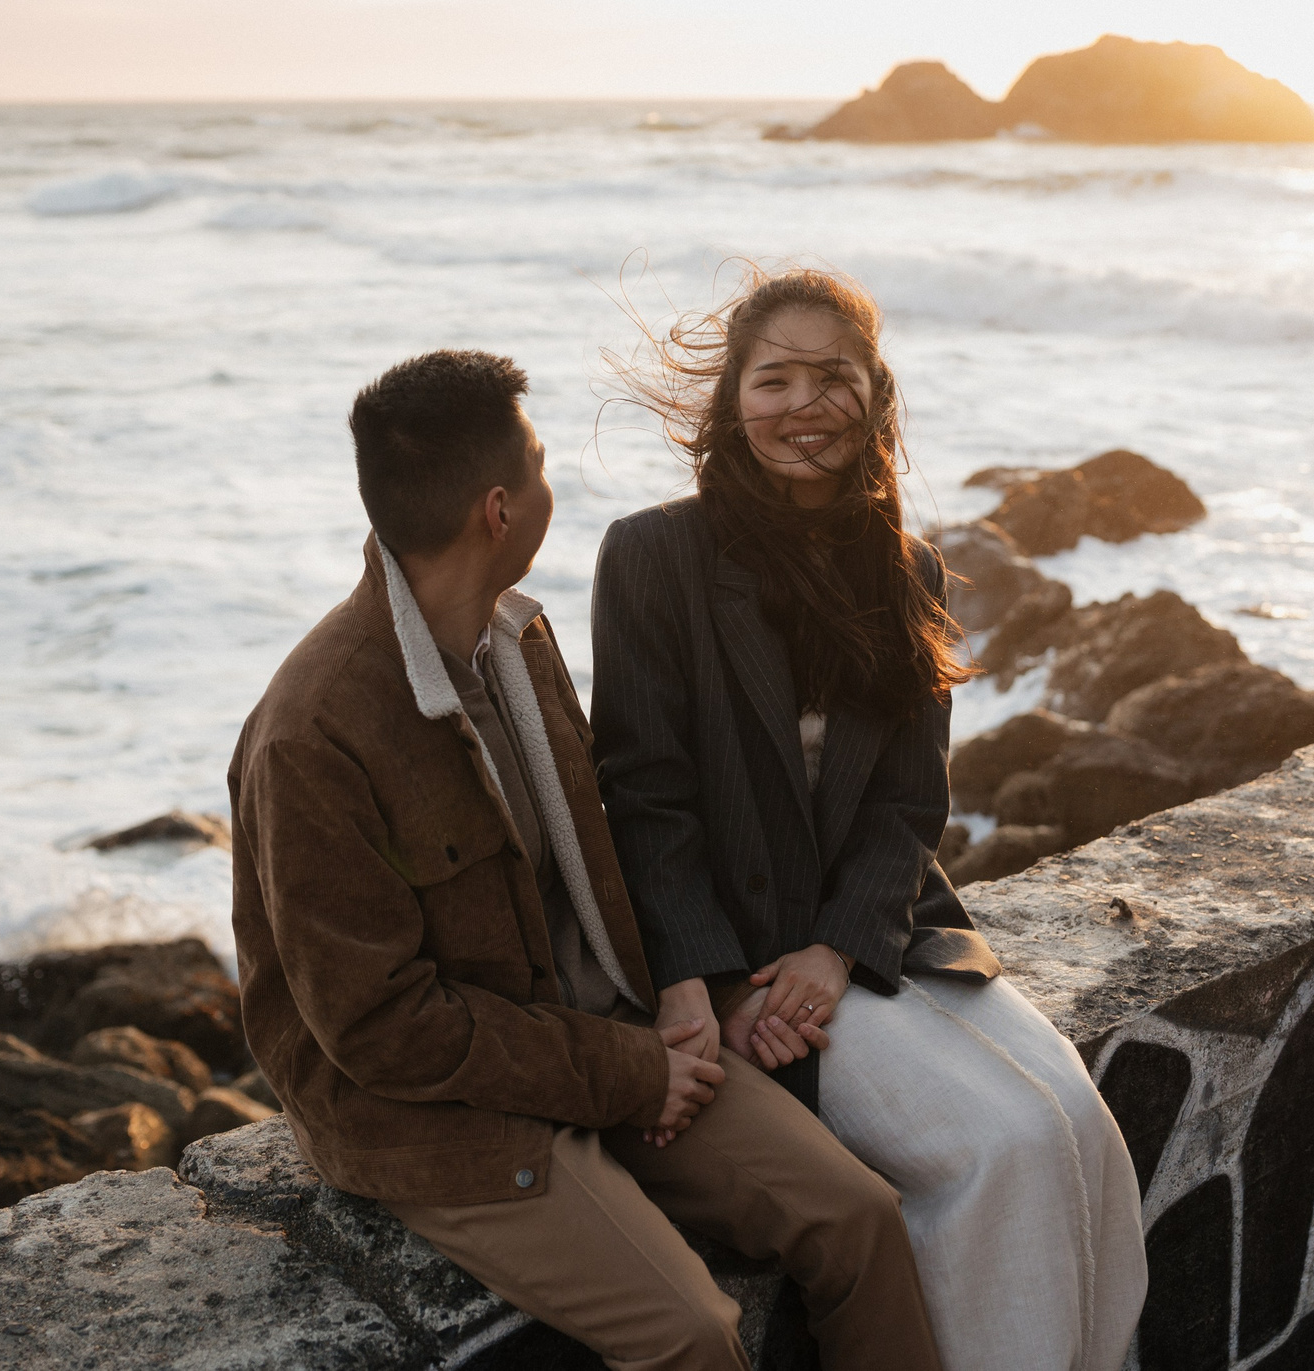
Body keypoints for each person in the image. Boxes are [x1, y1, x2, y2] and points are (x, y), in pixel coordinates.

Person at [227, 349, 943, 1371]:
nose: (551, 488)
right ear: (498, 512)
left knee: (862, 1219)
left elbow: (602, 860)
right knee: (693, 1333)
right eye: (542, 466)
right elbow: (381, 1032)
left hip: (604, 1038)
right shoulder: (315, 733)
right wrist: (625, 1075)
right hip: (443, 1121)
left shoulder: (515, 640)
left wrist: (692, 989)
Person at [590, 271, 1148, 1371]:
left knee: (1083, 1132)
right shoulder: (654, 557)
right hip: (743, 954)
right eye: (775, 379)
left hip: (874, 936)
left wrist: (839, 947)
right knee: (998, 1150)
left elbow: (907, 802)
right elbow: (642, 795)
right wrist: (702, 982)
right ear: (731, 403)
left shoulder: (908, 570)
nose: (806, 404)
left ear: (874, 396)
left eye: (832, 377)